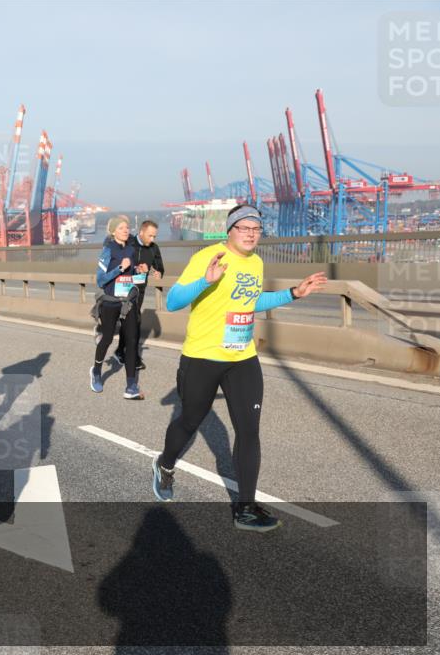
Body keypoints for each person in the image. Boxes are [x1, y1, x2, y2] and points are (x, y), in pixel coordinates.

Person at [151, 204, 327, 532]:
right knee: (190, 421)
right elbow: (173, 302)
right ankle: (165, 464)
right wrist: (205, 281)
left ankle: (245, 508)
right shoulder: (208, 257)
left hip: (242, 357)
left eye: (256, 229)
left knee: (248, 431)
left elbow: (251, 301)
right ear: (229, 230)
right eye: (244, 228)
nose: (250, 234)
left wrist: (293, 293)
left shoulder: (256, 262)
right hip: (202, 357)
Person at [90, 216, 144, 399]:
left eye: (127, 227)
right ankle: (96, 372)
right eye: (121, 228)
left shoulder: (131, 249)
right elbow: (100, 280)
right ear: (113, 231)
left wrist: (139, 271)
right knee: (106, 339)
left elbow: (131, 274)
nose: (126, 230)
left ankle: (131, 385)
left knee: (131, 341)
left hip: (127, 302)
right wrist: (120, 268)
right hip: (110, 302)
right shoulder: (108, 250)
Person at [115, 219, 164, 371]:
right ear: (141, 232)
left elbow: (160, 267)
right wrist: (135, 268)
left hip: (139, 291)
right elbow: (115, 261)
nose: (152, 239)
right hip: (124, 289)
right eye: (150, 236)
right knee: (133, 322)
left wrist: (158, 272)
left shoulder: (154, 248)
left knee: (130, 322)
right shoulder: (128, 242)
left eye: (154, 236)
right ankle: (134, 358)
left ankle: (120, 351)